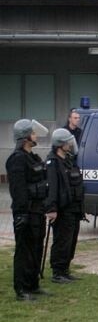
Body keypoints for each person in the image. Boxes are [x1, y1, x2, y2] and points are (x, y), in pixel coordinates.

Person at [6, 119, 50, 301]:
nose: (35, 135)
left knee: (36, 248)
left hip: (38, 210)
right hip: (26, 212)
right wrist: (22, 214)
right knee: (24, 250)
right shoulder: (17, 160)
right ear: (25, 137)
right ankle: (22, 289)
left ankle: (33, 284)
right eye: (32, 133)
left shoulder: (34, 157)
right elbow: (18, 190)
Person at [45, 128, 85, 283]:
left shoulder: (67, 160)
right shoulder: (53, 162)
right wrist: (52, 208)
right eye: (67, 141)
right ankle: (58, 272)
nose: (70, 143)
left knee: (71, 240)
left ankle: (65, 269)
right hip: (62, 209)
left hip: (73, 208)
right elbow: (52, 188)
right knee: (62, 240)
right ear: (60, 144)